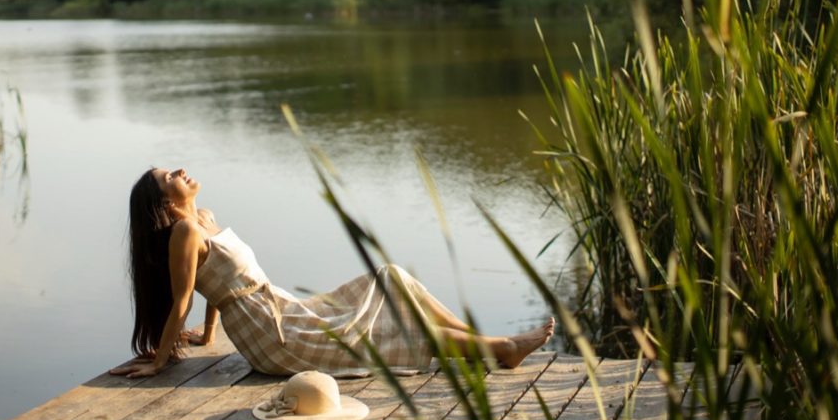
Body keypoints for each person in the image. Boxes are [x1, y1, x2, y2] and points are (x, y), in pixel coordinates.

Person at [109, 167, 556, 379]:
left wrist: (208, 338)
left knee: (390, 277)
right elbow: (183, 297)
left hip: (280, 306)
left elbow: (212, 286)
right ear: (166, 203)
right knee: (390, 330)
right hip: (271, 334)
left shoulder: (203, 218)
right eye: (169, 175)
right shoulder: (183, 231)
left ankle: (491, 345)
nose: (181, 171)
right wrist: (161, 361)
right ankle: (501, 347)